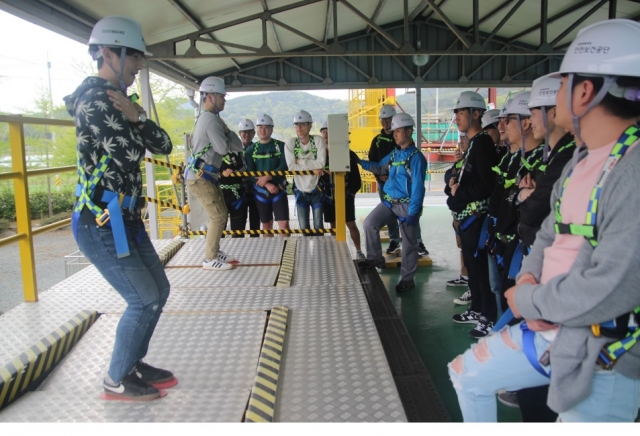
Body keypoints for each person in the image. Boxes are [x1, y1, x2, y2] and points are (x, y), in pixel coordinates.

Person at [448, 18, 640, 422]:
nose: (554, 102)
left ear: (586, 91)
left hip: (605, 349)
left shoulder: (632, 170)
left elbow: (614, 286)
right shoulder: (583, 160)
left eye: (564, 84)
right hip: (553, 321)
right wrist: (529, 281)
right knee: (467, 375)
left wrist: (529, 298)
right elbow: (550, 231)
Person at [65, 15, 175, 401]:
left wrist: (137, 117)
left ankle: (132, 362)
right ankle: (116, 378)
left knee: (158, 290)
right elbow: (129, 157)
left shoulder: (123, 102)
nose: (138, 65)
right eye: (134, 57)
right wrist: (136, 121)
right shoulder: (95, 101)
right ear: (108, 53)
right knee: (143, 299)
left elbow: (164, 146)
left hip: (123, 217)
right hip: (100, 220)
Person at [499, 74, 576, 422]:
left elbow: (538, 211)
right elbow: (535, 213)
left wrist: (523, 199)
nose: (528, 122)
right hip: (543, 272)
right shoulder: (568, 156)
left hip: (562, 289)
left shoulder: (569, 158)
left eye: (533, 112)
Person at [445, 91, 498, 338]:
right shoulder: (474, 145)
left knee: (480, 271)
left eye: (461, 112)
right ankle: (477, 309)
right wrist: (455, 182)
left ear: (476, 114)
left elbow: (488, 184)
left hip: (476, 218)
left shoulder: (483, 143)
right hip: (468, 218)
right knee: (474, 271)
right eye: (455, 112)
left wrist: (460, 190)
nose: (457, 117)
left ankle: (488, 316)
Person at [358, 113, 427, 292]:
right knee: (370, 224)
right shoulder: (395, 153)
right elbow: (379, 166)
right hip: (389, 203)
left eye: (397, 131)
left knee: (409, 243)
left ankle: (407, 279)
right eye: (394, 131)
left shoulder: (416, 158)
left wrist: (413, 212)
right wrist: (358, 161)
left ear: (408, 131)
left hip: (407, 206)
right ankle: (375, 258)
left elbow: (418, 188)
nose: (394, 134)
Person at [184, 76, 241, 270]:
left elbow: (238, 145)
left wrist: (226, 133)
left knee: (219, 214)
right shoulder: (210, 120)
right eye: (221, 96)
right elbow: (225, 149)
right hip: (201, 177)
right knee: (218, 216)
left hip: (205, 176)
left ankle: (214, 252)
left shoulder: (210, 119)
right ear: (210, 96)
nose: (224, 99)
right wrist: (226, 133)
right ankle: (209, 258)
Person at [319, 121, 364, 259]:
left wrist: (350, 193)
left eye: (328, 131)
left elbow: (356, 178)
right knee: (333, 224)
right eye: (323, 131)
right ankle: (336, 250)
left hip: (345, 195)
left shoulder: (347, 154)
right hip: (328, 195)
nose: (326, 134)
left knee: (350, 223)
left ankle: (358, 251)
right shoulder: (320, 156)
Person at [244, 113, 290, 237]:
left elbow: (284, 166)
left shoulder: (280, 146)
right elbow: (250, 173)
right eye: (260, 127)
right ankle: (271, 253)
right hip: (261, 192)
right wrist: (267, 184)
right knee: (266, 225)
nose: (263, 130)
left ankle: (285, 251)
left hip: (279, 190)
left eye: (266, 127)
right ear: (257, 130)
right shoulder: (251, 150)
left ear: (271, 129)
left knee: (284, 225)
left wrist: (268, 177)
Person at [284, 110, 327, 233]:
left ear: (310, 125)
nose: (299, 128)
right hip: (300, 190)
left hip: (316, 189)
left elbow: (321, 164)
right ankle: (306, 252)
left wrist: (300, 161)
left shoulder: (318, 141)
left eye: (303, 124)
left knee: (318, 227)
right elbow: (291, 167)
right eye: (296, 125)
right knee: (304, 228)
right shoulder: (291, 143)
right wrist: (313, 168)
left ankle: (319, 252)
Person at [446, 132, 470, 301]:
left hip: (470, 213)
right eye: (460, 139)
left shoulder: (473, 162)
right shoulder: (461, 163)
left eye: (465, 139)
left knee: (471, 248)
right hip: (458, 213)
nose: (462, 142)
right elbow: (450, 182)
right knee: (462, 246)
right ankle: (465, 275)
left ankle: (472, 284)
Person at [218, 120, 250, 238]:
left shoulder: (236, 148)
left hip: (237, 193)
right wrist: (217, 172)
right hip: (219, 193)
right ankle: (217, 252)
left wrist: (234, 172)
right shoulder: (213, 149)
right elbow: (208, 167)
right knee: (219, 225)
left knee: (238, 227)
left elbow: (244, 167)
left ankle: (239, 251)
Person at [238, 119, 261, 237]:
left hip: (255, 186)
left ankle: (255, 242)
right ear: (239, 133)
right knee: (240, 218)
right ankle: (240, 243)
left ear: (253, 133)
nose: (247, 135)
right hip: (240, 187)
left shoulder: (257, 148)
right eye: (244, 132)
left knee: (255, 217)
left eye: (249, 132)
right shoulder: (235, 149)